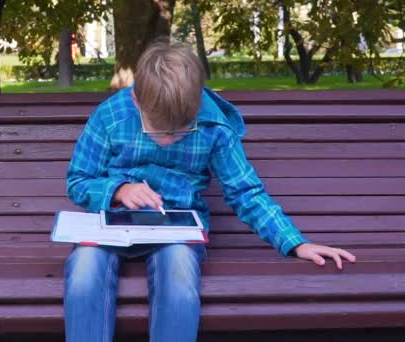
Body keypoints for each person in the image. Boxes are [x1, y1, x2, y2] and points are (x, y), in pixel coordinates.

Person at [63, 40, 356, 342]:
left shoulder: (213, 124)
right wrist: (119, 190)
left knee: (178, 270)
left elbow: (246, 192)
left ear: (197, 106)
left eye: (181, 130)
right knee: (84, 269)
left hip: (175, 227)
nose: (168, 140)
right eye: (158, 130)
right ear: (137, 101)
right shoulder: (111, 116)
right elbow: (78, 180)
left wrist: (295, 244)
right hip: (112, 222)